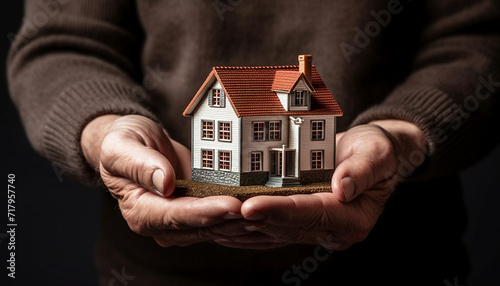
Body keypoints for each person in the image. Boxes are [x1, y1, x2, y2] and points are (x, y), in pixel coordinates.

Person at [7, 0, 500, 285]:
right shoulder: (230, 114)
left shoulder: (299, 105)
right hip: (157, 274)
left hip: (402, 265)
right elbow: (62, 41)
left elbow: (479, 40)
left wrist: (400, 135)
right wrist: (106, 130)